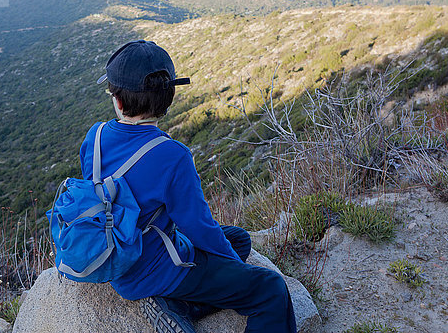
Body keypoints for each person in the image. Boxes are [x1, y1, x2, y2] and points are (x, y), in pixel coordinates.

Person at [80, 40, 297, 333]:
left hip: (115, 255)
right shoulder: (172, 155)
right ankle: (174, 299)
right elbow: (198, 226)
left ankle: (178, 306)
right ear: (168, 100)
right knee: (270, 288)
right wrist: (238, 269)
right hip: (151, 269)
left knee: (239, 239)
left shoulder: (96, 135)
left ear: (117, 101)